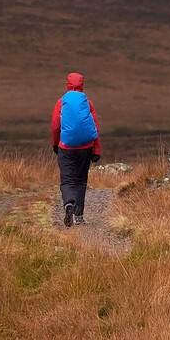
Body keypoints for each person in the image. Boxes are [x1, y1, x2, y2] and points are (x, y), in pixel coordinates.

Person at [50, 71, 101, 227]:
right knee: (80, 181)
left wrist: (55, 144)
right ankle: (78, 216)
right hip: (85, 147)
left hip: (66, 147)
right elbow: (95, 128)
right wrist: (96, 150)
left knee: (67, 180)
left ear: (68, 84)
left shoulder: (61, 101)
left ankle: (68, 204)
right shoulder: (87, 102)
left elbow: (55, 126)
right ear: (82, 85)